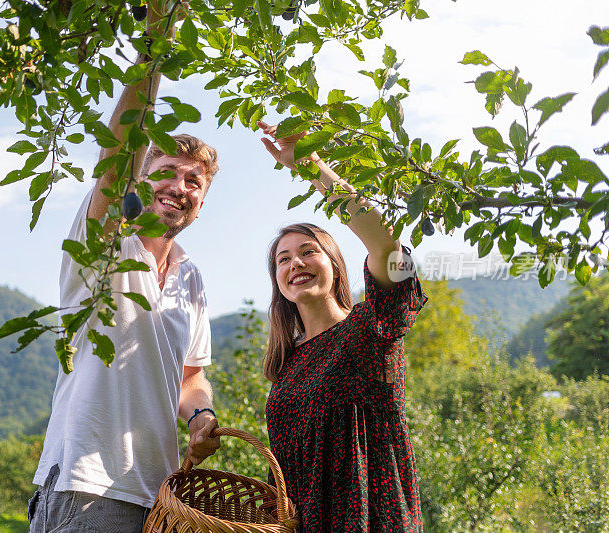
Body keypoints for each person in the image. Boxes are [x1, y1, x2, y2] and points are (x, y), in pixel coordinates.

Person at [27, 4, 221, 531]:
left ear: (201, 204)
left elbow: (191, 375)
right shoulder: (105, 242)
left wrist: (201, 414)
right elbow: (115, 157)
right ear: (141, 178)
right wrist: (154, 48)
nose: (179, 187)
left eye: (193, 182)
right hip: (89, 486)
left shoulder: (191, 277)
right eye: (166, 172)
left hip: (158, 498)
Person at [257, 120, 428, 532]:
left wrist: (312, 164)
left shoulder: (369, 331)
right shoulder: (288, 364)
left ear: (335, 265)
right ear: (278, 282)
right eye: (283, 259)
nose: (294, 262)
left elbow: (386, 248)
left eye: (307, 251)